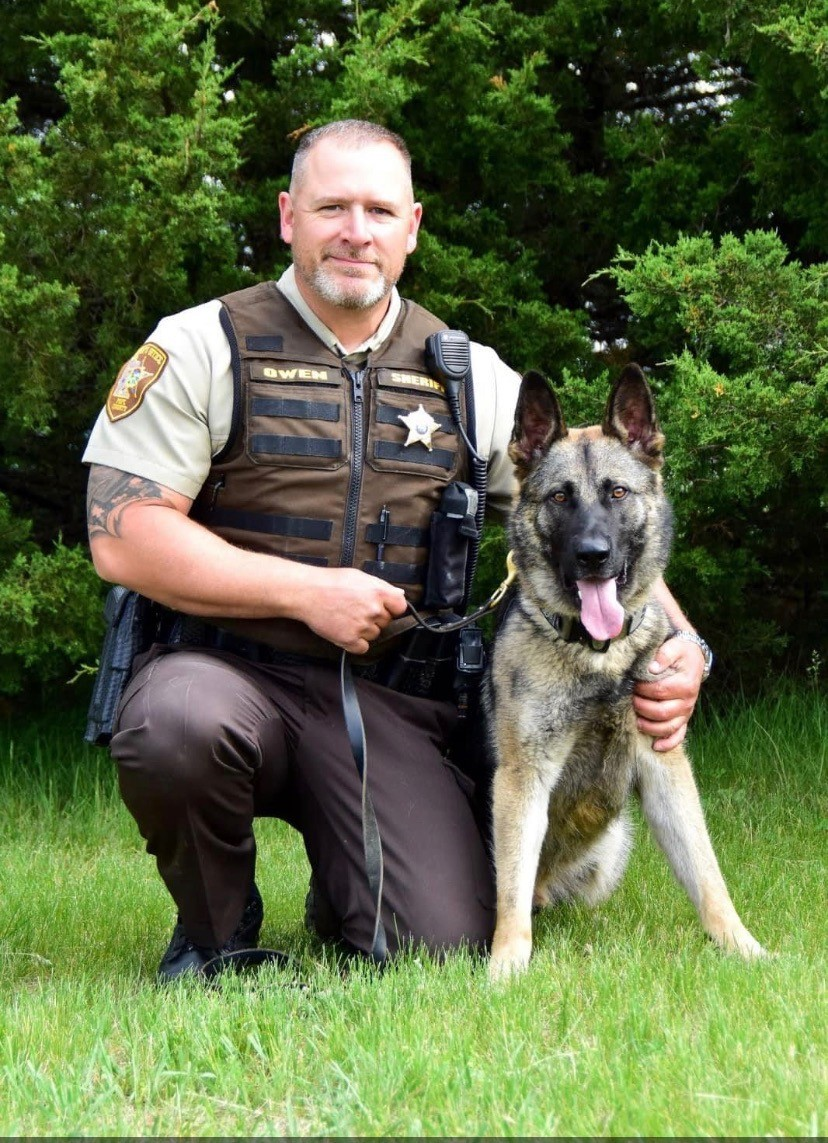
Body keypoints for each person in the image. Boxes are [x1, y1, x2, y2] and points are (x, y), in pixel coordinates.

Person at [83, 119, 708, 980]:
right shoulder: (202, 345)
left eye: (379, 209)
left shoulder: (465, 374)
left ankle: (348, 882)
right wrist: (304, 592)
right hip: (224, 675)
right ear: (286, 216)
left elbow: (580, 518)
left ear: (411, 227)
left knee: (437, 941)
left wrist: (686, 649)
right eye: (331, 206)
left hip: (387, 706)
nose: (355, 231)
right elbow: (123, 537)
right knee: (176, 727)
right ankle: (215, 929)